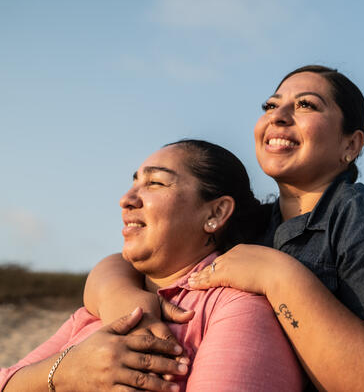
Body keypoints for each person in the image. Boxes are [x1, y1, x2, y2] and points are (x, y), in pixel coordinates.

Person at [83, 65, 364, 392]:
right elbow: (127, 263)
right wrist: (123, 301)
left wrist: (279, 276)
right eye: (271, 105)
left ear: (351, 144)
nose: (279, 115)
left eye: (306, 105)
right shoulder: (254, 225)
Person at [0, 140, 304, 392]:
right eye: (133, 183)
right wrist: (66, 370)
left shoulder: (235, 307)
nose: (126, 199)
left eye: (155, 183)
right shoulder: (102, 304)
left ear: (216, 212)